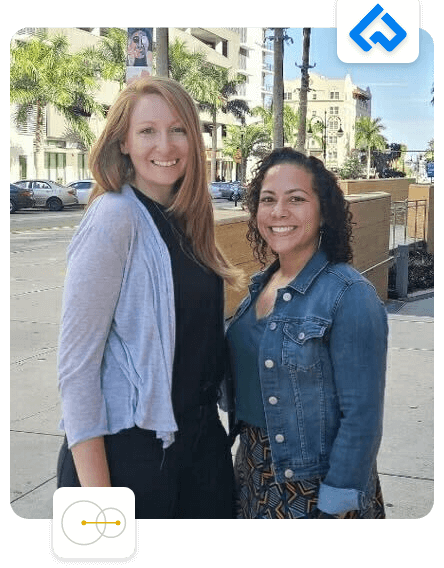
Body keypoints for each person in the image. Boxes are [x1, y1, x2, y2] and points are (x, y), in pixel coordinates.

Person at [56, 76, 242, 519]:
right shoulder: (114, 217)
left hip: (199, 451)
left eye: (178, 129)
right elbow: (77, 370)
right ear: (123, 141)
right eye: (147, 131)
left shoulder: (190, 222)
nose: (166, 144)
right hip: (130, 458)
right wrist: (99, 505)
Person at [226, 148, 387, 519]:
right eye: (268, 200)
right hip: (252, 470)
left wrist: (337, 501)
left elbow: (362, 417)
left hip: (314, 484)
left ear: (323, 211)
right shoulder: (260, 286)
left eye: (296, 199)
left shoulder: (349, 295)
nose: (279, 212)